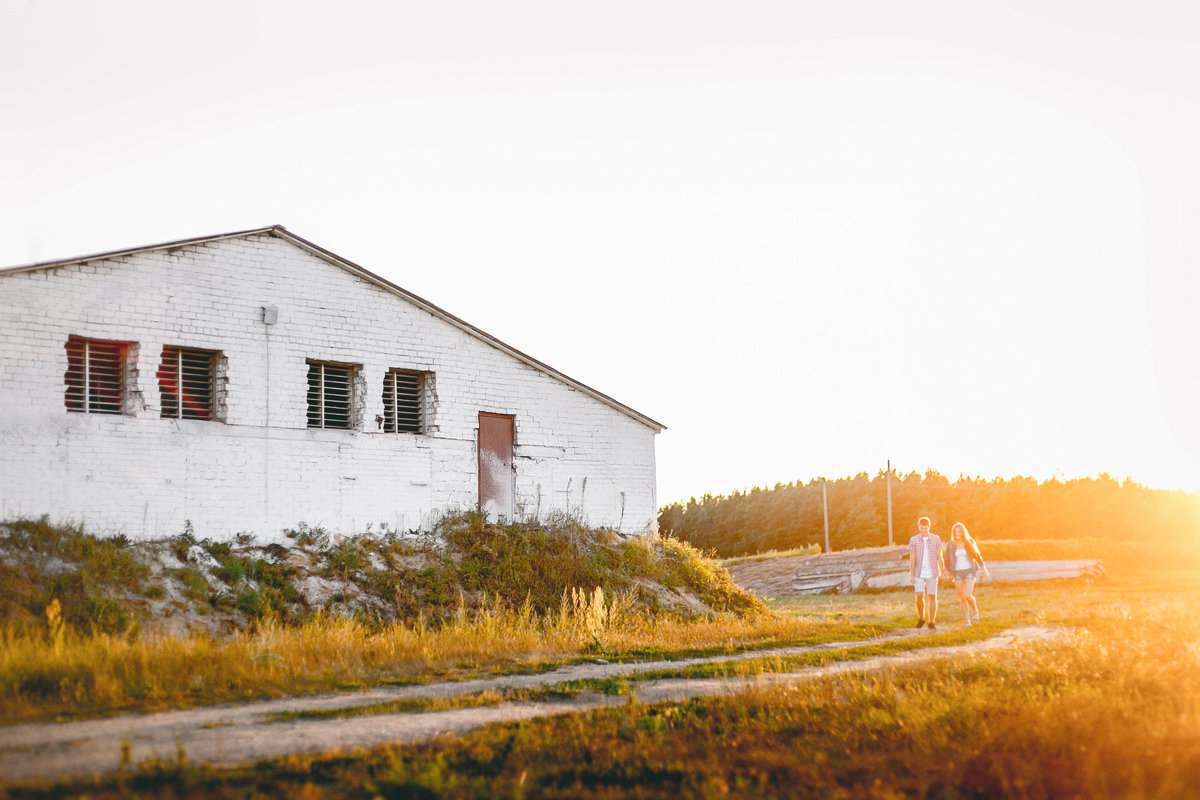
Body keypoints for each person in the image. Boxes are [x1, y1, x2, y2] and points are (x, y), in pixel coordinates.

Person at [945, 522, 991, 626]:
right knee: (962, 597)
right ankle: (967, 621)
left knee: (967, 594)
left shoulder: (970, 542)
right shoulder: (950, 545)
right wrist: (946, 571)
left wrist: (984, 570)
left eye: (959, 531)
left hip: (969, 571)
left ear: (963, 532)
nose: (957, 533)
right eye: (955, 532)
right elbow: (947, 559)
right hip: (957, 573)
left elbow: (978, 557)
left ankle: (975, 611)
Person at [908, 516, 945, 630]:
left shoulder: (935, 538)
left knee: (932, 596)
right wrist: (911, 574)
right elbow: (912, 558)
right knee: (919, 595)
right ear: (919, 527)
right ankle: (921, 618)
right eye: (921, 528)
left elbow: (940, 556)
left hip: (933, 572)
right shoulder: (914, 540)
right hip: (919, 572)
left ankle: (931, 621)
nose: (923, 530)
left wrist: (942, 571)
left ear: (929, 527)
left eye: (925, 528)